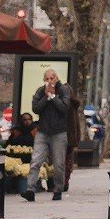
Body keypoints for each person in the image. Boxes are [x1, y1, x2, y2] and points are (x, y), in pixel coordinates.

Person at [23, 69, 70, 201]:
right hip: (43, 131)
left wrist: (53, 97)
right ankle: (30, 190)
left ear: (56, 78)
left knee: (59, 163)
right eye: (47, 78)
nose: (50, 81)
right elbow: (35, 109)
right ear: (44, 79)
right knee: (35, 161)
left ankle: (58, 189)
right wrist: (46, 97)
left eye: (52, 78)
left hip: (59, 132)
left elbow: (64, 108)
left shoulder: (63, 90)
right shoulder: (40, 91)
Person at [63, 85, 85, 193]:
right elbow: (76, 125)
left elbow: (73, 124)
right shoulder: (73, 104)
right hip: (70, 138)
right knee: (67, 161)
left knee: (64, 161)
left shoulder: (68, 105)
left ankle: (63, 181)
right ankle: (65, 181)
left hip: (66, 137)